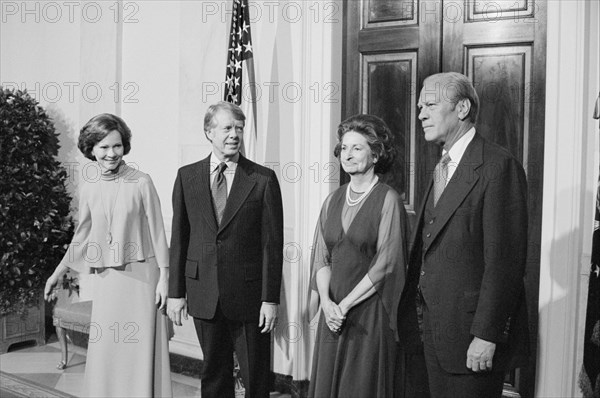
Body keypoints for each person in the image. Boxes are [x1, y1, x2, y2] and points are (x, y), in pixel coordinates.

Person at [398, 72, 529, 398]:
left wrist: (487, 336)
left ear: (462, 108)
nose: (420, 115)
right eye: (419, 107)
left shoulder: (498, 166)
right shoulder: (441, 166)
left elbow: (505, 263)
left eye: (430, 104)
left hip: (471, 341)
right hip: (427, 337)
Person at [44, 113, 172, 398]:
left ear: (124, 145)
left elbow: (159, 233)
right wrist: (57, 273)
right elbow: (82, 236)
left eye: (117, 146)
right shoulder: (88, 186)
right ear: (91, 149)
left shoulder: (141, 182)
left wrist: (165, 278)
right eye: (104, 147)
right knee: (109, 351)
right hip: (107, 279)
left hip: (142, 279)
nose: (111, 153)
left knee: (138, 351)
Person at [167, 101, 284, 398]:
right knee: (213, 374)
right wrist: (175, 293)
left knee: (255, 375)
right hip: (203, 293)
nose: (234, 134)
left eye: (239, 128)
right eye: (227, 128)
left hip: (249, 297)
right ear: (209, 132)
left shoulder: (262, 179)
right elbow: (179, 239)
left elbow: (272, 245)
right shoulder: (187, 176)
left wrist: (270, 300)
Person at [308, 114, 409, 398]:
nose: (347, 155)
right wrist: (328, 304)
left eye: (357, 148)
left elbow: (387, 264)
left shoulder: (388, 199)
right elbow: (322, 258)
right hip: (333, 314)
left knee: (359, 386)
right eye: (343, 148)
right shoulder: (333, 199)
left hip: (368, 314)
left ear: (375, 154)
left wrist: (345, 306)